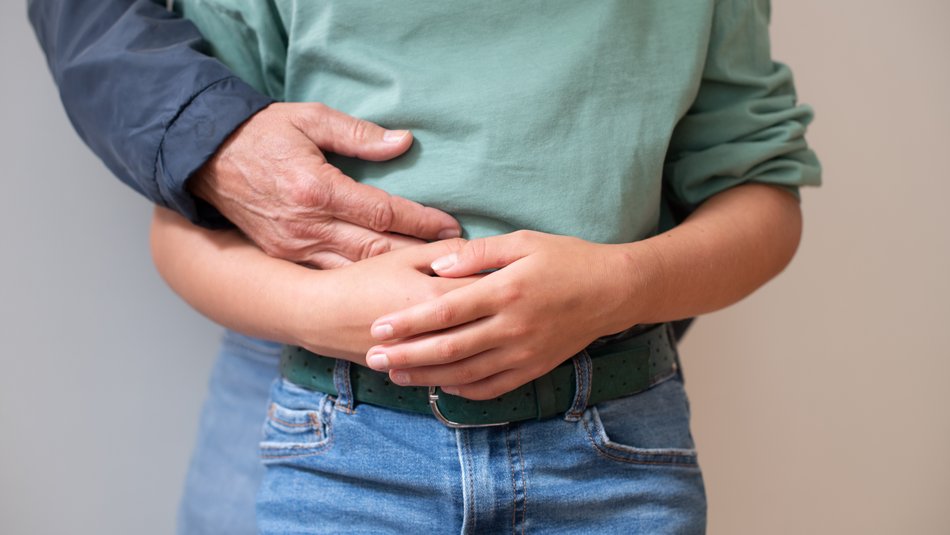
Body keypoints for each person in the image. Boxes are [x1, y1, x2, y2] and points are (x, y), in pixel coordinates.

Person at [147, 0, 821, 532]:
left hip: (613, 460)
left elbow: (761, 195)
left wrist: (618, 286)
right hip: (346, 457)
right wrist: (322, 311)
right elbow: (181, 227)